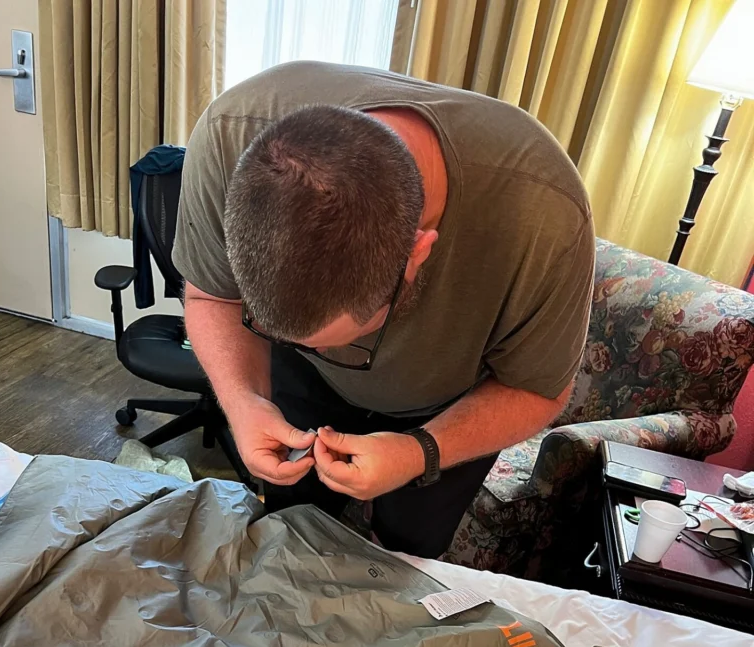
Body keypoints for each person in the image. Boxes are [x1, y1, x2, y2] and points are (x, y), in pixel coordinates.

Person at [172, 61, 595, 558]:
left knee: (407, 552)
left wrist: (421, 451)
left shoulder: (544, 216)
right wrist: (243, 403)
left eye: (339, 339)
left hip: (450, 404)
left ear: (417, 253)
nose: (325, 351)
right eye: (289, 333)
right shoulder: (226, 138)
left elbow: (536, 389)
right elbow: (211, 295)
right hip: (298, 380)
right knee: (291, 527)